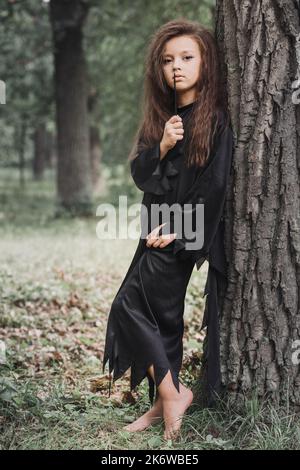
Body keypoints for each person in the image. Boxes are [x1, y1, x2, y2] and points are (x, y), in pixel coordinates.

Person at [101, 18, 234, 441]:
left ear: (206, 62)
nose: (176, 67)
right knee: (164, 318)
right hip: (153, 231)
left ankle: (174, 393)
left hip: (180, 237)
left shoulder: (214, 119)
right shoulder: (163, 117)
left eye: (187, 57)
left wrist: (178, 230)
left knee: (128, 306)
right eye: (167, 60)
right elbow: (142, 174)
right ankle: (163, 404)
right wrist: (160, 145)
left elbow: (212, 186)